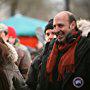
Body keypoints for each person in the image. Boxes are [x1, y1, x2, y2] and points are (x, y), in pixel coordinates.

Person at [37, 11, 90, 90]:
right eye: (54, 26)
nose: (56, 30)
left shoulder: (86, 47)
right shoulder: (49, 48)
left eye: (60, 26)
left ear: (72, 25)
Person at [26, 18, 56, 90]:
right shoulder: (38, 59)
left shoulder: (65, 55)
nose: (50, 36)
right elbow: (30, 84)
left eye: (53, 33)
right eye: (47, 34)